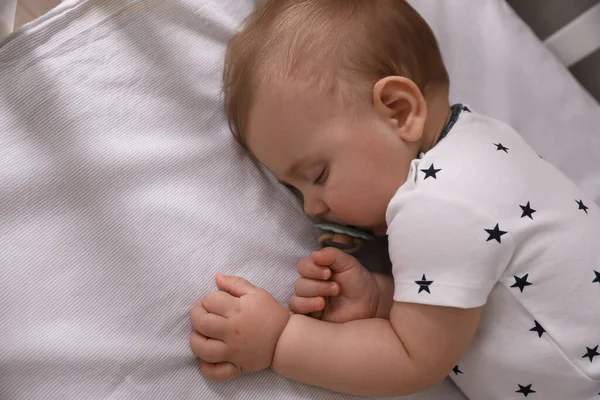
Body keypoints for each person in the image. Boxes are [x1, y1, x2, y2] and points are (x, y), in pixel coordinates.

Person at [189, 0, 600, 398]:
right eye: (297, 191)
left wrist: (280, 341)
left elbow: (413, 358)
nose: (312, 208)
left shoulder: (435, 204)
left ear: (399, 111)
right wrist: (380, 297)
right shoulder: (483, 142)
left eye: (317, 176)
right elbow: (469, 303)